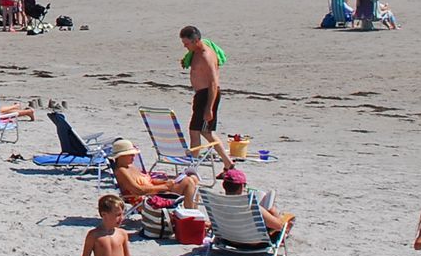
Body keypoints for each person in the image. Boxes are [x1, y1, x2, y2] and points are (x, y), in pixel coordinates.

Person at [109, 139, 201, 208]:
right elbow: (139, 190)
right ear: (121, 156)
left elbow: (149, 180)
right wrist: (165, 187)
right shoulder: (121, 171)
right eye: (131, 154)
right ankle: (191, 216)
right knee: (188, 181)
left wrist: (165, 182)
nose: (134, 156)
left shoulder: (130, 166)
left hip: (154, 192)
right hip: (150, 199)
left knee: (193, 178)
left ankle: (193, 214)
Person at [180, 25, 223, 158]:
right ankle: (228, 164)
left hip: (208, 95)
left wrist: (209, 108)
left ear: (196, 41)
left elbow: (213, 82)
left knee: (201, 132)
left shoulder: (206, 56)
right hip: (200, 95)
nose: (185, 46)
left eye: (186, 43)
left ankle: (192, 164)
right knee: (202, 132)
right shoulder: (196, 51)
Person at [218, 168, 295, 237]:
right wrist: (273, 211)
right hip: (253, 243)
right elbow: (279, 226)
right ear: (241, 186)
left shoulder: (217, 203)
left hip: (227, 240)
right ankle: (283, 236)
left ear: (223, 185)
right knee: (290, 217)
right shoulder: (251, 205)